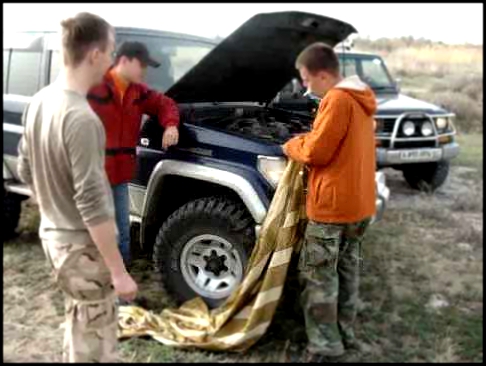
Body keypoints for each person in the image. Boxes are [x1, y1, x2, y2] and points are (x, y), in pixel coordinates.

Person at [17, 12, 138, 363]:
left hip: (55, 238)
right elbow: (92, 202)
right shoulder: (82, 118)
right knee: (95, 340)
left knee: (82, 321)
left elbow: (26, 167)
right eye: (111, 51)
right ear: (95, 55)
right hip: (81, 248)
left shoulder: (40, 100)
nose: (114, 60)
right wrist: (119, 271)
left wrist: (52, 207)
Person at [282, 42, 377, 361]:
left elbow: (316, 152)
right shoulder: (361, 98)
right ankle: (345, 335)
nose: (306, 87)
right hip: (359, 205)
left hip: (332, 208)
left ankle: (325, 347)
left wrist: (293, 144)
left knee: (320, 278)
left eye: (307, 80)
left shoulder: (336, 99)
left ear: (323, 75)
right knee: (348, 272)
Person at [88, 41, 180, 267]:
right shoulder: (93, 88)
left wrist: (171, 125)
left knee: (122, 231)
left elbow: (164, 103)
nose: (145, 71)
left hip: (120, 175)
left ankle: (121, 277)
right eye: (142, 65)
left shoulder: (137, 91)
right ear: (125, 61)